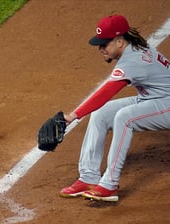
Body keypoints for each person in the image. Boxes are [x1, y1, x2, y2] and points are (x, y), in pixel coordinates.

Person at [59, 15, 170, 202]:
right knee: (101, 113)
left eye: (104, 44)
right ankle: (88, 177)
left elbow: (106, 93)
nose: (100, 49)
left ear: (120, 42)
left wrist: (72, 116)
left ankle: (110, 184)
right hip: (155, 99)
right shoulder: (134, 47)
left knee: (124, 117)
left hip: (167, 103)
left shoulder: (133, 61)